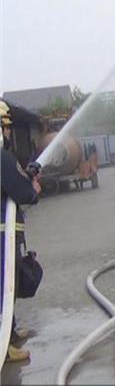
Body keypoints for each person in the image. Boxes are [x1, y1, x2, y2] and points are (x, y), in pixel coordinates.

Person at [0, 100, 41, 362]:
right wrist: (32, 189)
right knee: (3, 287)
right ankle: (4, 346)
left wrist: (25, 176)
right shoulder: (2, 157)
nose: (7, 132)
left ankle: (10, 333)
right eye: (4, 127)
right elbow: (23, 193)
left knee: (6, 286)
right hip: (2, 239)